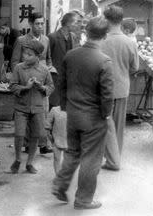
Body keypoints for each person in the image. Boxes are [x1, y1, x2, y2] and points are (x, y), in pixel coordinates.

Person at [52, 16, 114, 210]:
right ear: (105, 36)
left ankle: (60, 184)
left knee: (73, 152)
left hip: (73, 114)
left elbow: (61, 84)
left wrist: (64, 106)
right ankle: (84, 199)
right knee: (91, 159)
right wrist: (106, 114)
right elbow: (107, 95)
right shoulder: (104, 61)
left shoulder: (71, 55)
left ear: (86, 33)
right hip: (94, 118)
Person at [100, 6, 139, 171]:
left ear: (106, 20)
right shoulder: (130, 42)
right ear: (121, 20)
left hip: (103, 89)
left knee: (103, 124)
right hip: (122, 89)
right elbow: (135, 67)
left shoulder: (101, 41)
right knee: (118, 127)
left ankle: (106, 158)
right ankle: (115, 159)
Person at [8, 39, 54, 174]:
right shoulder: (18, 68)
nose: (25, 56)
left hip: (38, 107)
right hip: (21, 107)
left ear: (37, 57)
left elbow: (51, 87)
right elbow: (12, 86)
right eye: (24, 53)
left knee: (35, 135)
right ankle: (17, 159)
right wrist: (25, 87)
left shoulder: (44, 70)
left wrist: (41, 87)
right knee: (19, 134)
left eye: (29, 54)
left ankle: (29, 163)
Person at [11, 12, 53, 154]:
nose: (40, 26)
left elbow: (48, 59)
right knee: (26, 112)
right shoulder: (21, 40)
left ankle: (43, 143)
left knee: (42, 113)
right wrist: (20, 79)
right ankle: (28, 144)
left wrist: (47, 70)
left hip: (41, 81)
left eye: (42, 23)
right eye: (37, 23)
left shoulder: (46, 40)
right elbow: (15, 61)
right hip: (26, 80)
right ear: (30, 24)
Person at [47, 12, 81, 108]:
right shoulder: (52, 37)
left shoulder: (73, 37)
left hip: (69, 77)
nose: (77, 25)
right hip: (55, 77)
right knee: (53, 105)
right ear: (68, 23)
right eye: (76, 23)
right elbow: (46, 57)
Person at [46, 106, 67, 175]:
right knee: (57, 158)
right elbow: (48, 123)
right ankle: (58, 176)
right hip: (57, 139)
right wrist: (49, 134)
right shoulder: (54, 110)